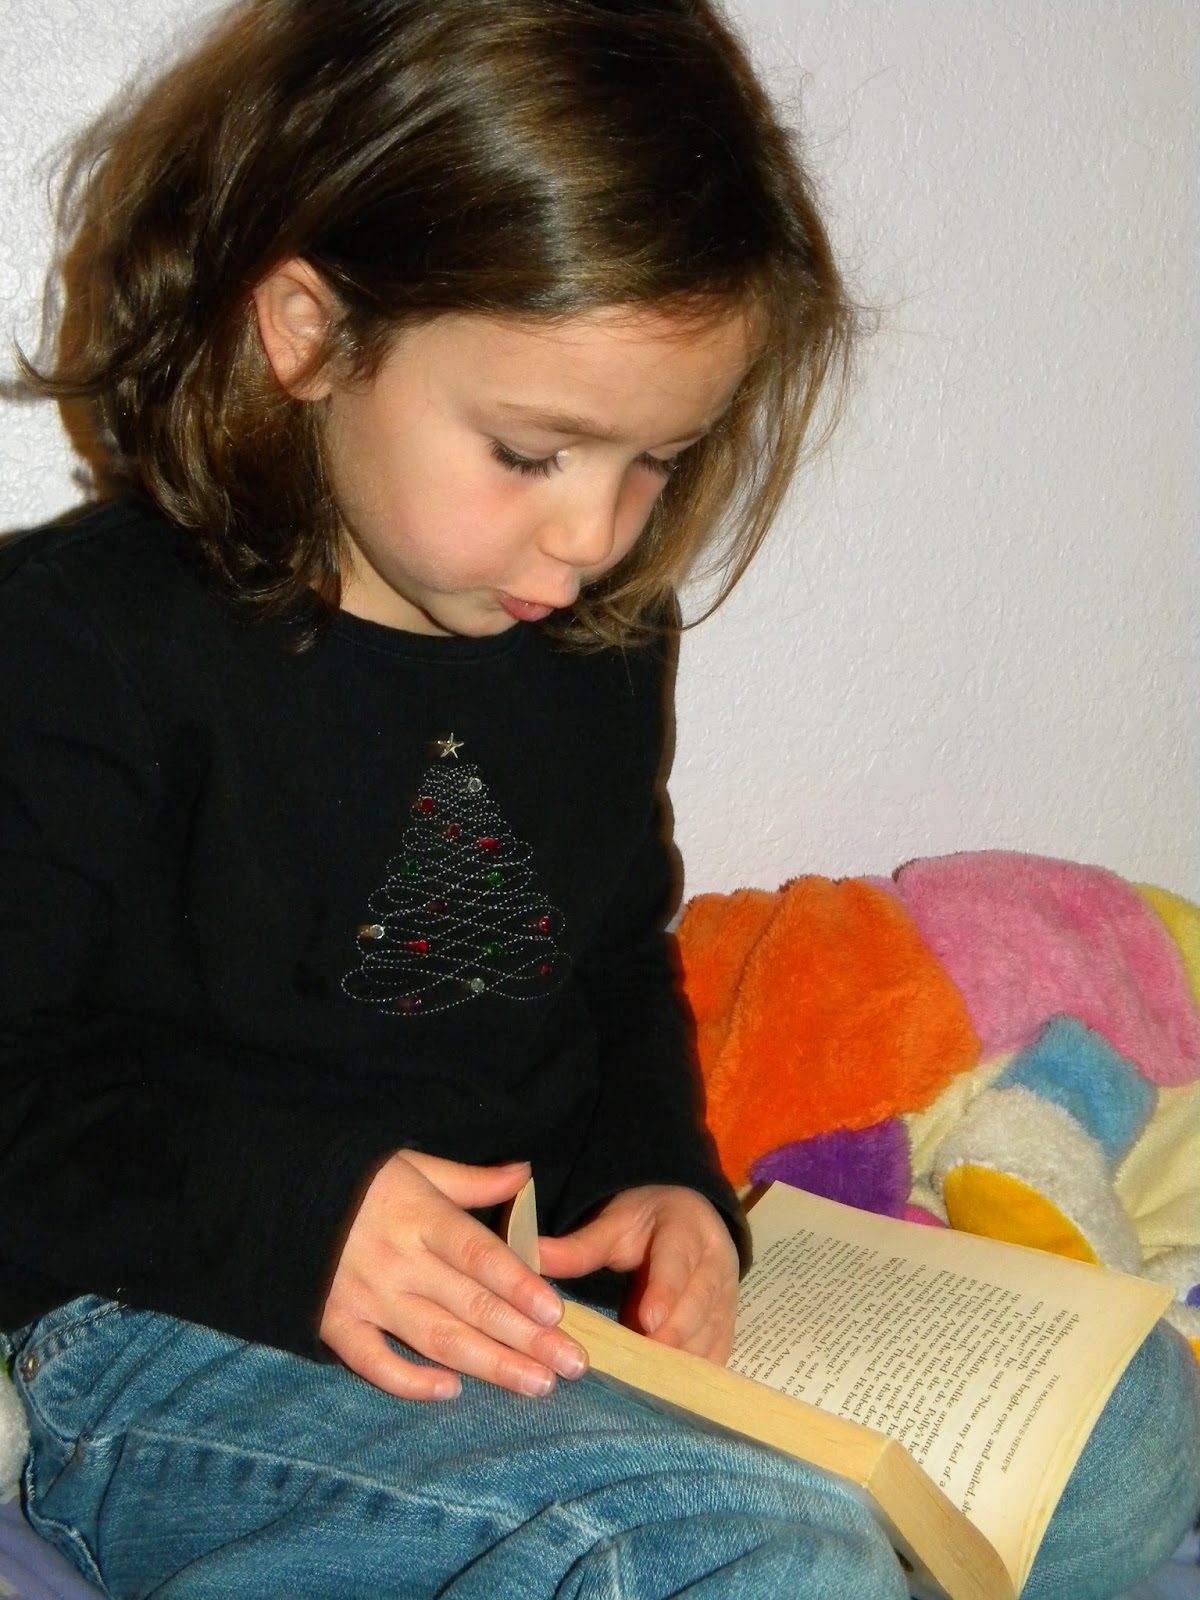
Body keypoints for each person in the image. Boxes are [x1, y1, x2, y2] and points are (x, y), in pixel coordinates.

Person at [1, 2, 1196, 1596]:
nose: (595, 539)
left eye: (656, 462)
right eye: (531, 453)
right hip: (188, 1322)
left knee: (1132, 1429)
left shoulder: (596, 642)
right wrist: (297, 1219)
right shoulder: (81, 647)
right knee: (751, 1556)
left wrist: (668, 1184)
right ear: (306, 333)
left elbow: (617, 965)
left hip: (554, 1305)